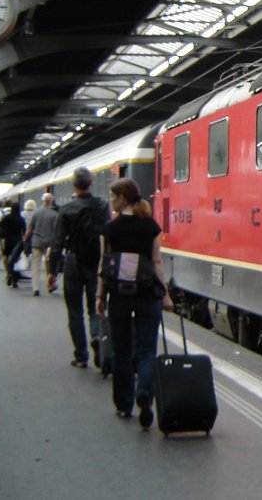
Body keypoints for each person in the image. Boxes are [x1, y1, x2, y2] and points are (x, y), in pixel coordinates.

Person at [95, 178, 173, 426]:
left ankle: (124, 404)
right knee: (147, 350)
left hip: (119, 296)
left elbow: (103, 264)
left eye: (113, 196)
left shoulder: (109, 229)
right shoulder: (151, 226)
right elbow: (157, 261)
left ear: (122, 198)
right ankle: (145, 394)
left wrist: (99, 296)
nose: (111, 200)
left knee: (121, 351)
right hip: (147, 295)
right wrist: (166, 295)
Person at [52, 167, 109, 369]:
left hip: (74, 261)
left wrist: (52, 271)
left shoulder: (66, 210)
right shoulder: (103, 206)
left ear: (74, 185)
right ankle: (97, 338)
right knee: (96, 307)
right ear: (91, 182)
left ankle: (81, 355)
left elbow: (57, 242)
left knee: (74, 311)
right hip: (96, 261)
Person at [25, 193, 58, 296]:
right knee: (49, 265)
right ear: (51, 201)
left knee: (36, 266)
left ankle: (36, 288)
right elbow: (57, 231)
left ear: (42, 201)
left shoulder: (36, 213)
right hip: (49, 243)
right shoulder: (55, 215)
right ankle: (50, 285)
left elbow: (30, 229)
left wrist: (25, 239)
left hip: (37, 242)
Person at [0, 201, 26, 288]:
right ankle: (14, 279)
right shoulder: (21, 219)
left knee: (7, 258)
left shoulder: (7, 217)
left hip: (7, 240)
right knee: (15, 260)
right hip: (18, 242)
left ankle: (9, 273)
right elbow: (24, 231)